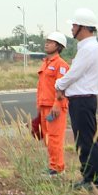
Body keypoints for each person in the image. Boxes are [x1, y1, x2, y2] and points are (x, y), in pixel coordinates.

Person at [54, 8, 98, 190]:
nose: (72, 28)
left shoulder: (89, 48)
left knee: (86, 141)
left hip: (82, 100)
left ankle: (94, 180)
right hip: (81, 100)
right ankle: (90, 177)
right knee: (85, 140)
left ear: (83, 27)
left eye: (74, 25)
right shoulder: (88, 47)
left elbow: (73, 74)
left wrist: (59, 86)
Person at [37, 31, 69, 175]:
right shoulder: (45, 63)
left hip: (55, 107)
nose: (47, 43)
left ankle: (57, 168)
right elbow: (41, 86)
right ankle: (52, 166)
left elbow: (62, 87)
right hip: (44, 105)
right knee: (47, 138)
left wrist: (57, 104)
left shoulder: (61, 65)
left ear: (58, 46)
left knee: (55, 138)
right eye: (47, 41)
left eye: (50, 42)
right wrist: (39, 107)